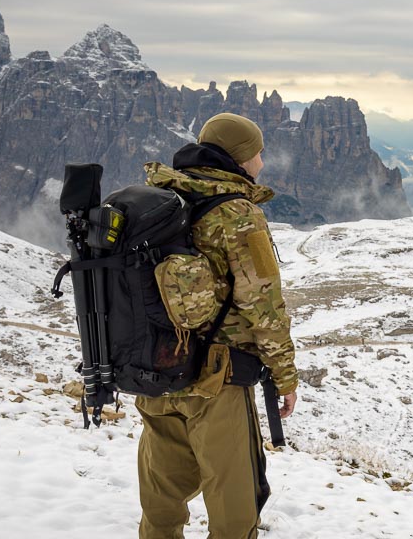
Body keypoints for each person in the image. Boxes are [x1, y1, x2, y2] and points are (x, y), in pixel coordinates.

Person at [135, 112, 299, 539]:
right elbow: (263, 305)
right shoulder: (237, 213)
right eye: (258, 152)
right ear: (241, 157)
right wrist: (285, 376)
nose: (262, 162)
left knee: (161, 507)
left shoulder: (160, 201)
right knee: (233, 512)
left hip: (156, 374)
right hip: (217, 383)